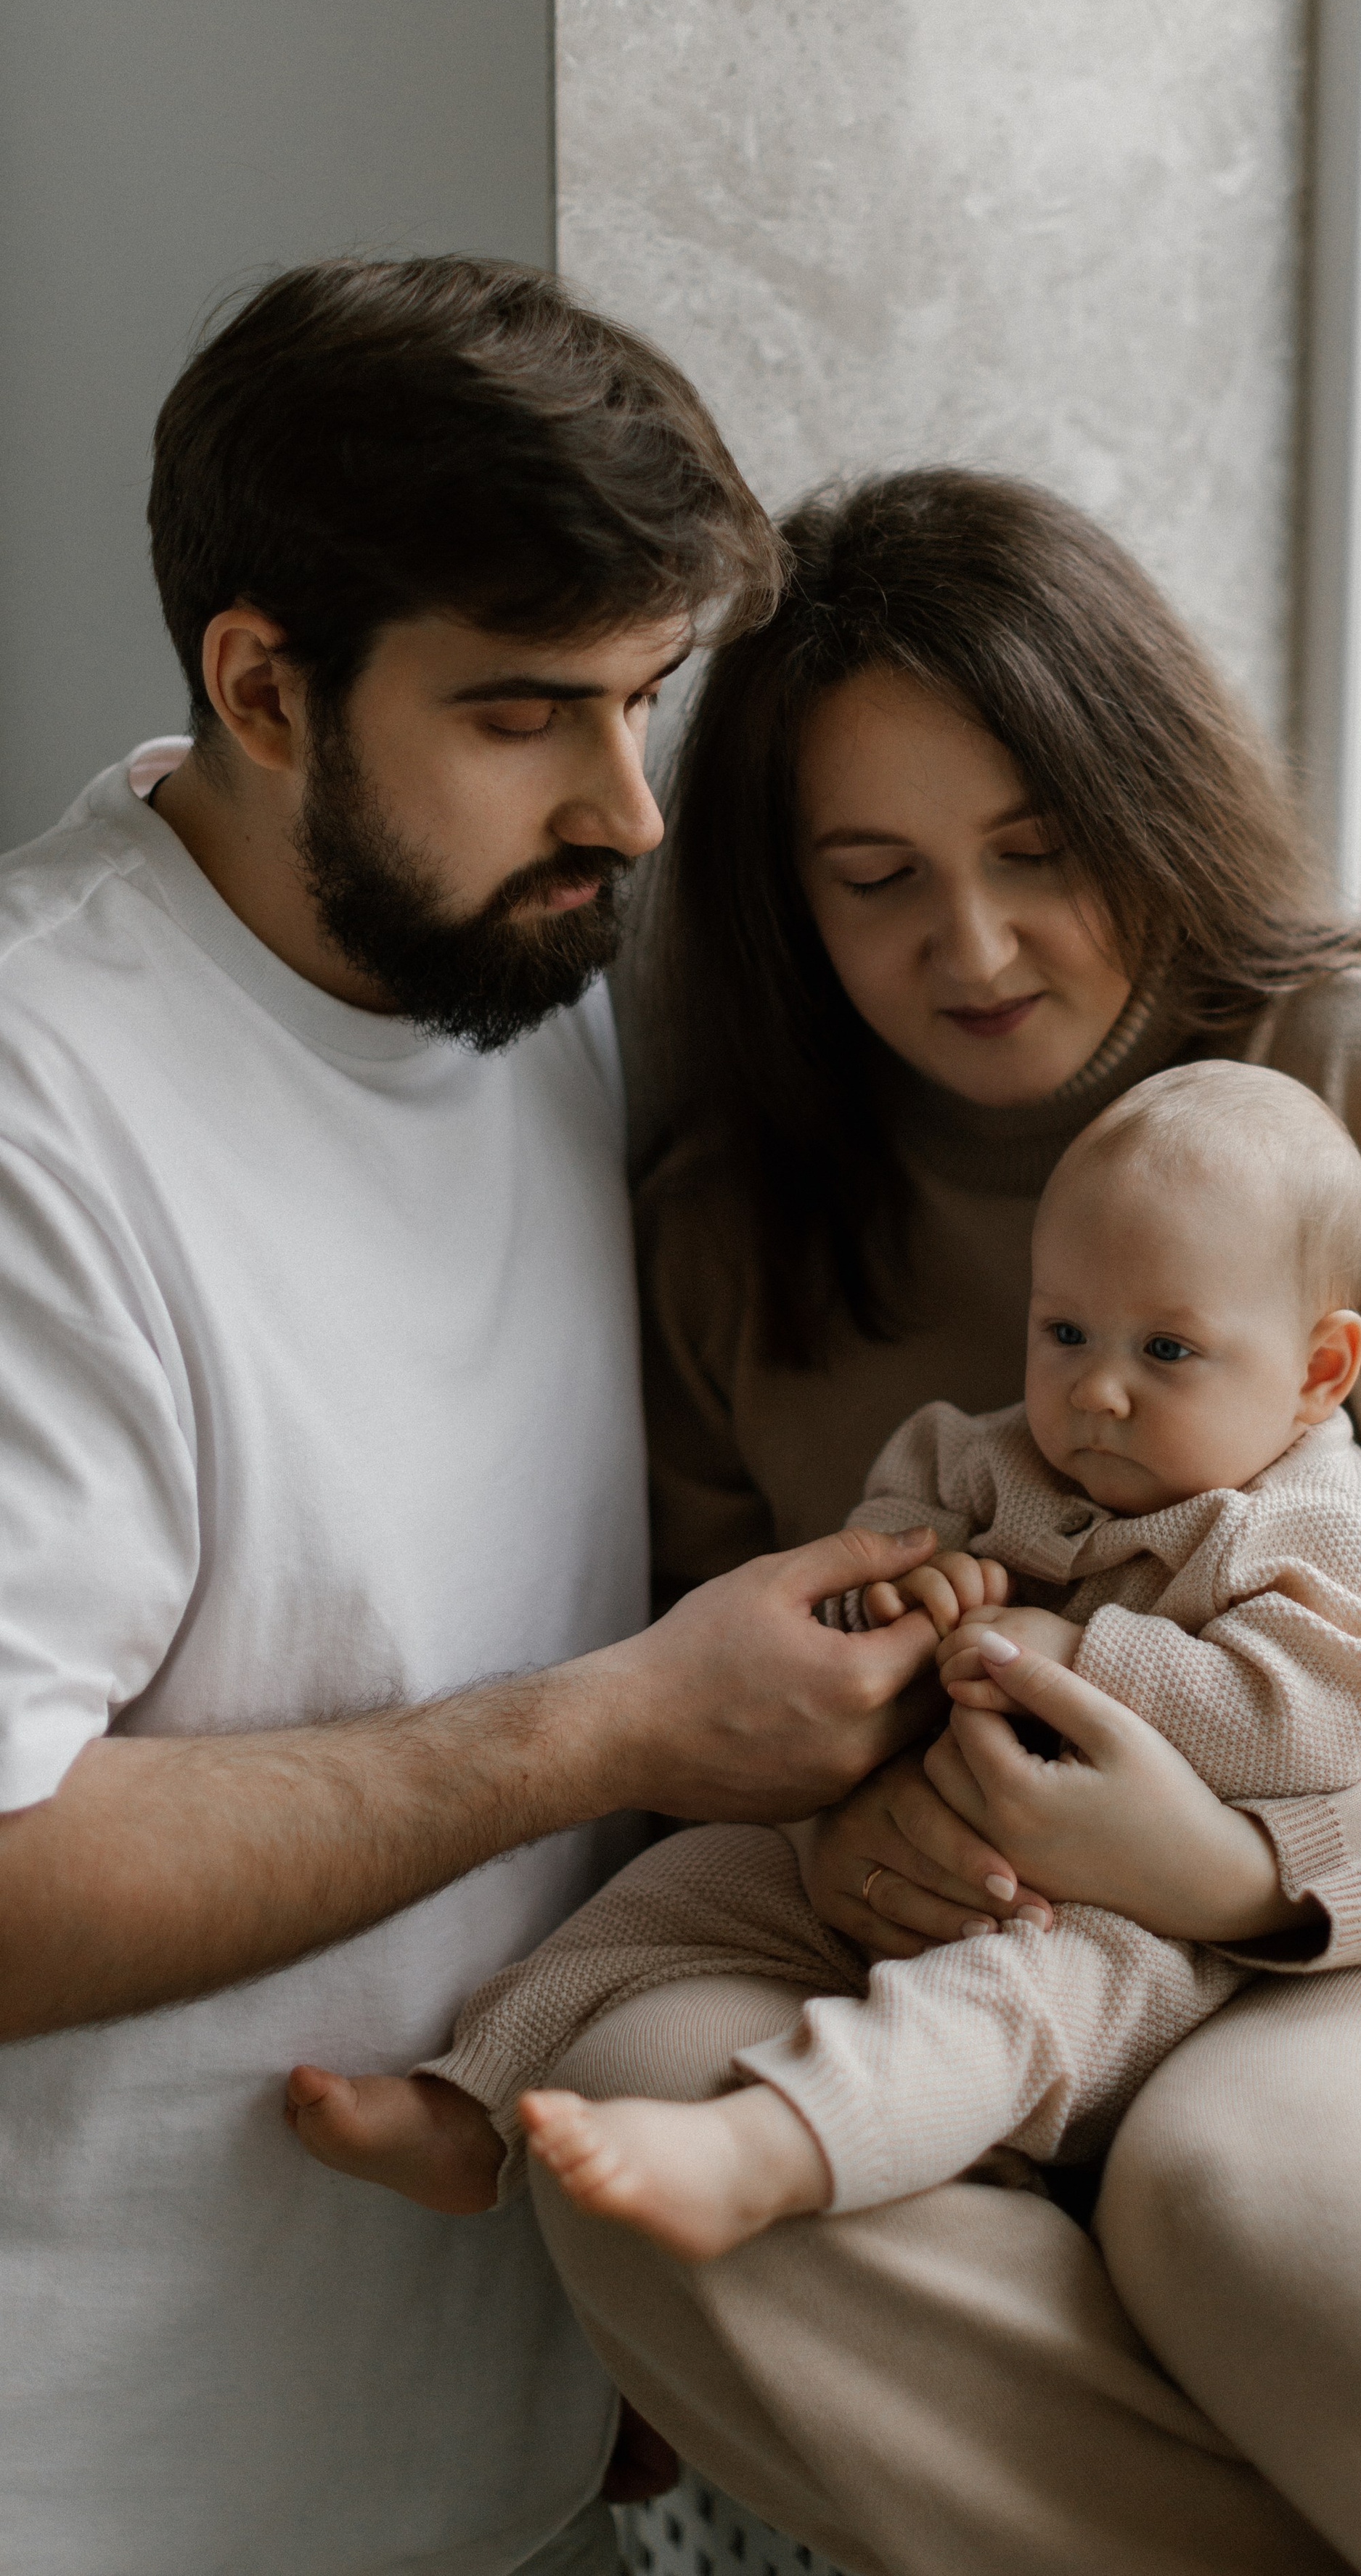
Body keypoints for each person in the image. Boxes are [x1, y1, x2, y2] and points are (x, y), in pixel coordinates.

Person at [523, 468, 1361, 2574]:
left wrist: (1246, 1864)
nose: (972, 945)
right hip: (1006, 1957)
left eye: (1036, 853)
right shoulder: (731, 1236)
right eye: (877, 880)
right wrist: (860, 1826)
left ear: (1141, 800)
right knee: (642, 2112)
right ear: (787, 903)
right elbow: (733, 1672)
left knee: (1244, 2173)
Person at [0, 258, 954, 2576]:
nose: (625, 807)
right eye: (529, 711)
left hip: (515, 2457)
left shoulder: (532, 961)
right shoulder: (45, 1119)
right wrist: (616, 1728)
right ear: (263, 686)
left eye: (647, 700)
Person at [286, 1059, 1361, 2250]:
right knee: (688, 1883)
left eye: (1168, 1352)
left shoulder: (1310, 1523)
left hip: (1124, 1924)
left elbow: (1318, 1714)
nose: (1097, 1391)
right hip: (889, 1850)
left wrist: (1084, 1655)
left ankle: (771, 2148)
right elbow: (864, 1591)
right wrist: (908, 1594)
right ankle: (476, 2103)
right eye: (1064, 1331)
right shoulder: (978, 1460)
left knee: (1007, 2007)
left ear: (1318, 1372)